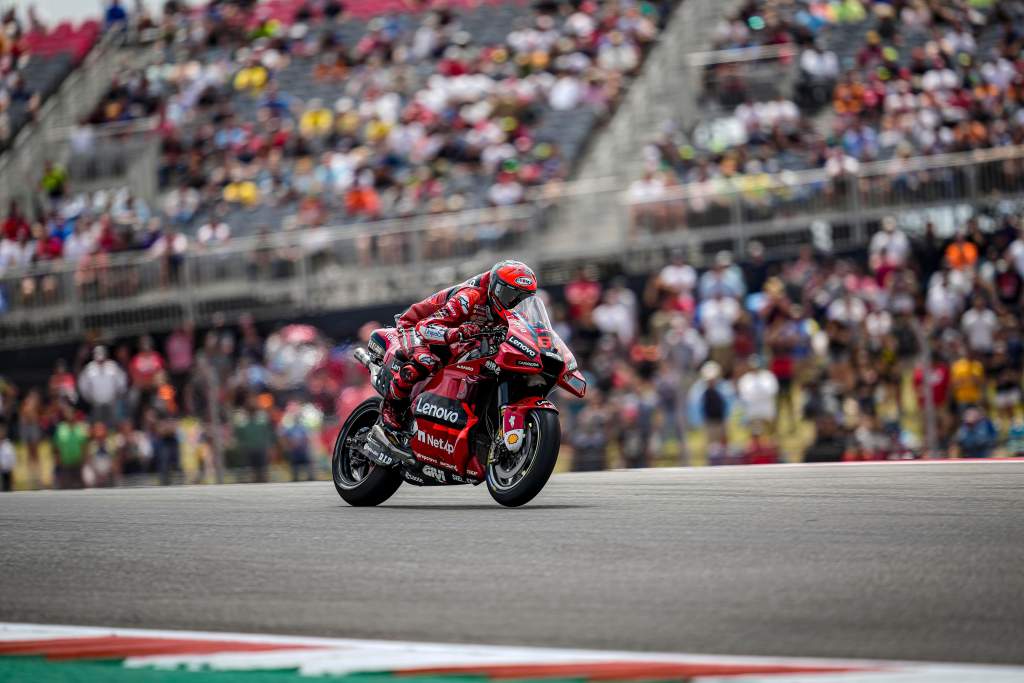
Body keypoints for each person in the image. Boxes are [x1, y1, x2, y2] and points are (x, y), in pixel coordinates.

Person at [374, 260, 538, 448]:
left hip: (456, 339)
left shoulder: (512, 316)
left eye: (522, 299)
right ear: (496, 287)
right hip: (415, 326)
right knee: (425, 361)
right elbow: (426, 327)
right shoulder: (470, 297)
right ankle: (391, 407)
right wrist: (457, 332)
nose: (514, 302)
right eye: (510, 295)